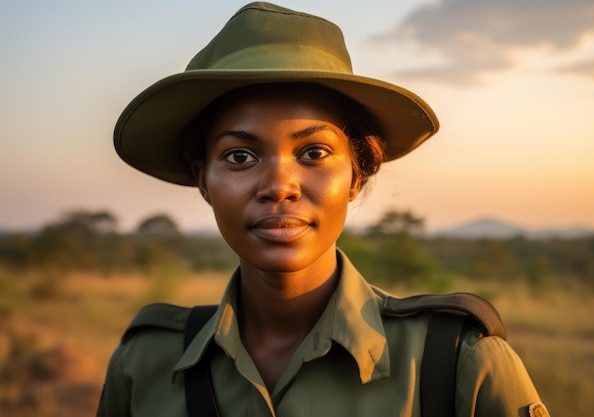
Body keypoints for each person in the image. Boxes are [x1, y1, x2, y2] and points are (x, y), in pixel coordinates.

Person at [97, 3, 550, 417]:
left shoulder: (455, 361)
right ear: (204, 181)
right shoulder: (145, 364)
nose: (279, 187)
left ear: (356, 176)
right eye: (240, 156)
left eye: (313, 153)